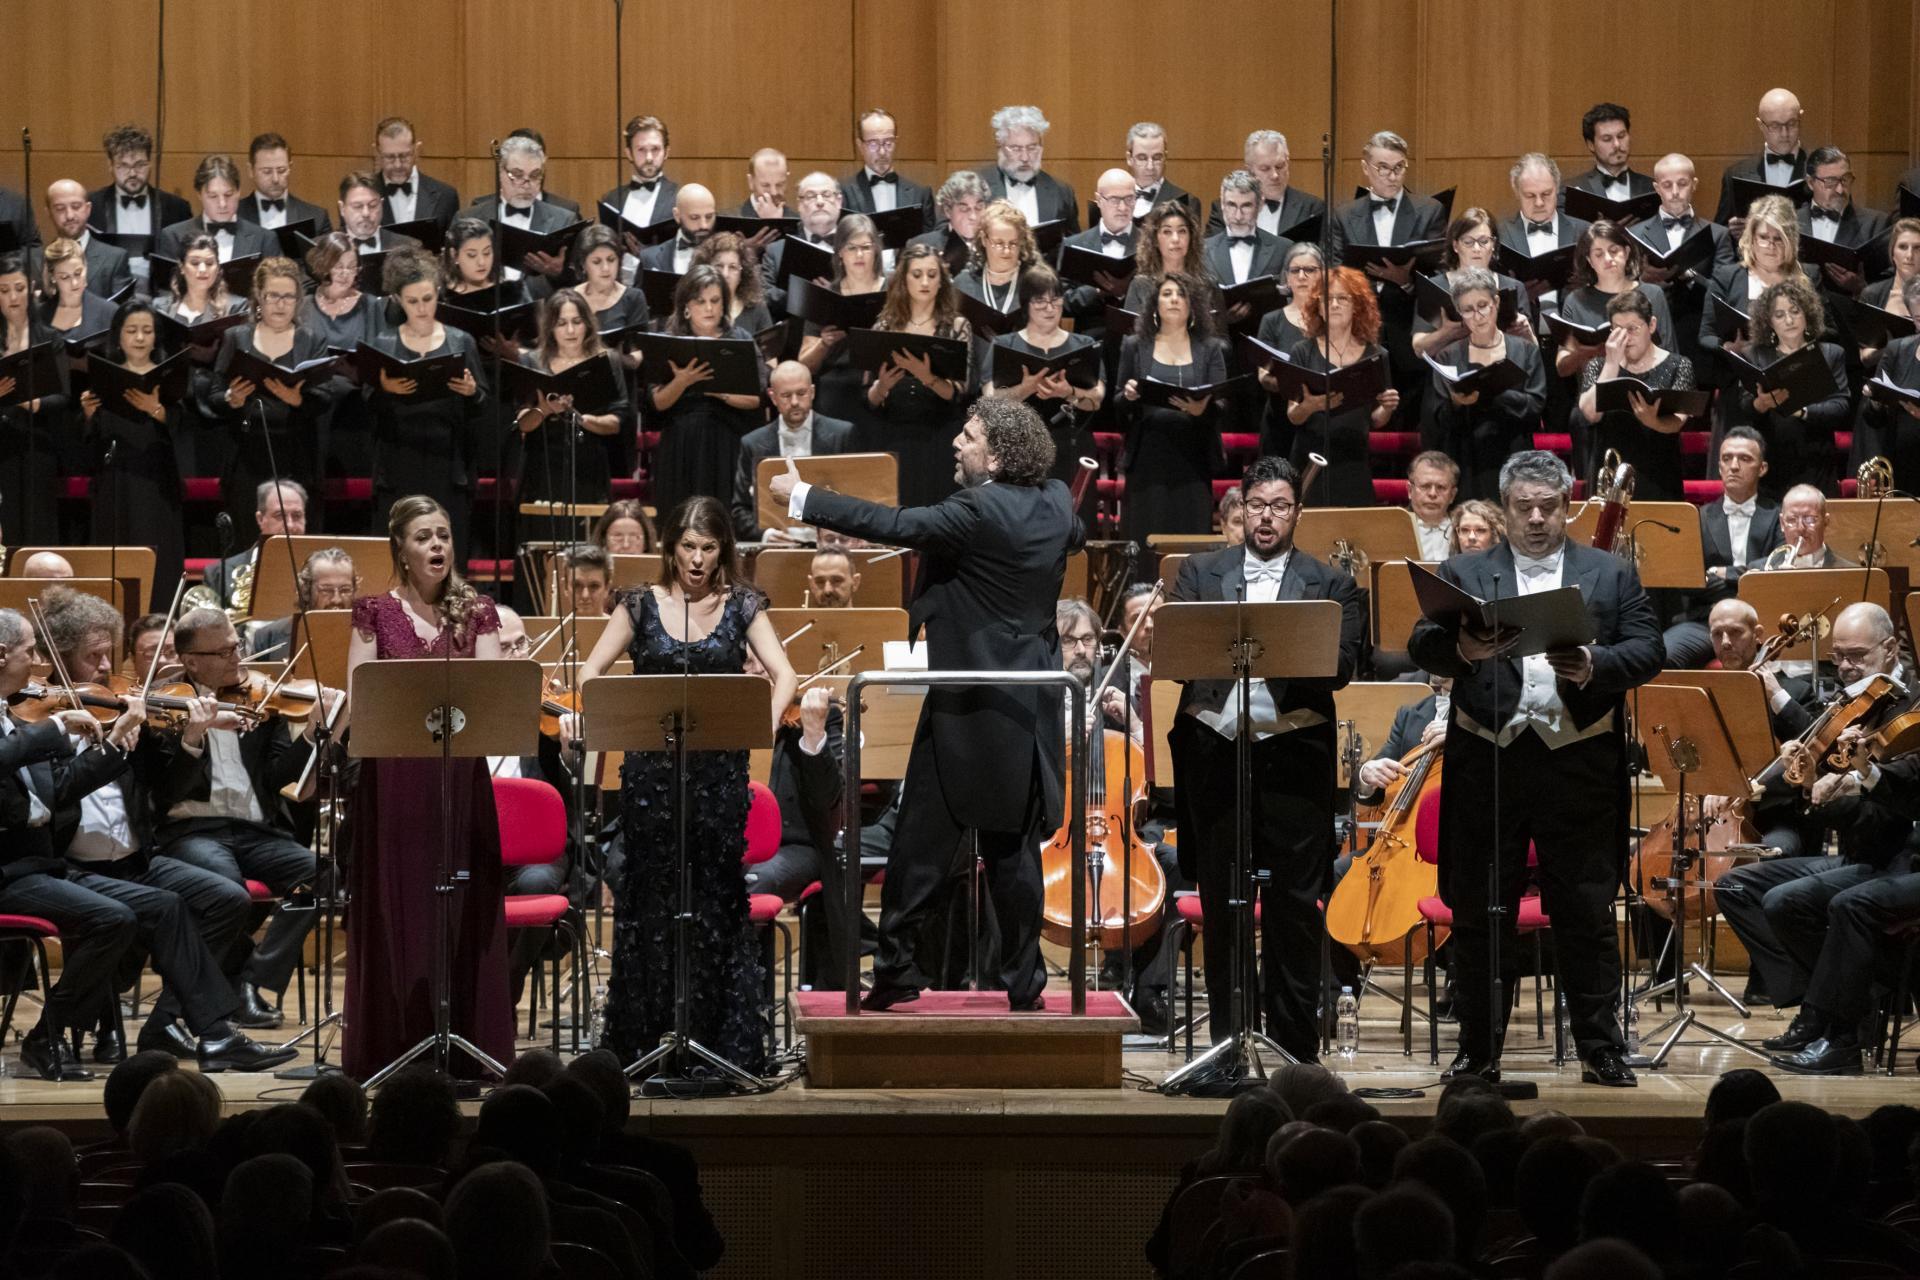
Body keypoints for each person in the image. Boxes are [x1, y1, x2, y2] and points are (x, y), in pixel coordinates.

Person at [769, 397, 1084, 1010]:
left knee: (918, 850)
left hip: (967, 703)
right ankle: (1023, 987)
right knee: (1010, 853)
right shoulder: (1053, 503)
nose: (955, 445)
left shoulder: (974, 510)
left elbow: (895, 525)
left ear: (996, 455)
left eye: (968, 437)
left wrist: (806, 497)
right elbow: (1071, 534)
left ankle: (894, 972)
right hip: (1024, 706)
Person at [1407, 450, 1661, 1087]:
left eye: (1549, 508)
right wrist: (1461, 647)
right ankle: (1478, 1050)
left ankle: (1600, 1047)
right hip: (1488, 761)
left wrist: (1599, 664)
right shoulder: (1467, 569)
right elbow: (1420, 641)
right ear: (1506, 507)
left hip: (1577, 762)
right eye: (1525, 509)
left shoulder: (1609, 572)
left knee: (1585, 910)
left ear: (1568, 506)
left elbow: (1650, 648)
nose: (1538, 520)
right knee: (1479, 911)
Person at [0, 610, 296, 1081]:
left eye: (107, 654)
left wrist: (191, 736)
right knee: (127, 916)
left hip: (127, 858)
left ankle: (208, 1033)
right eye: (91, 656)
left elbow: (166, 787)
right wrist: (94, 743)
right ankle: (54, 1033)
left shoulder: (111, 709)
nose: (104, 668)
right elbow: (56, 794)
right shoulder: (35, 724)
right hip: (47, 865)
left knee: (211, 899)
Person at [559, 496, 796, 1073]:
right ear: (670, 547)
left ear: (723, 551)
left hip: (718, 779)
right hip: (651, 781)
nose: (696, 559)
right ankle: (649, 1045)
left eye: (708, 548)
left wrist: (760, 724)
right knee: (650, 904)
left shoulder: (743, 604)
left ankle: (717, 1044)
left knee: (716, 902)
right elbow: (590, 673)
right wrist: (588, 711)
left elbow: (785, 673)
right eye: (687, 547)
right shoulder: (639, 604)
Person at [1166, 455, 1364, 1061]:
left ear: (1296, 513)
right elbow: (1180, 655)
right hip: (1215, 755)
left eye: (1280, 506)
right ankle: (1227, 1043)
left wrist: (1282, 642)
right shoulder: (1199, 572)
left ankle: (1294, 1045)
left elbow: (1344, 665)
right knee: (1225, 903)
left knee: (1294, 906)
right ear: (1239, 509)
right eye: (1257, 506)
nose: (1267, 517)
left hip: (1293, 758)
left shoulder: (1330, 582)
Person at [344, 495, 514, 1080]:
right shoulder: (371, 611)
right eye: (424, 536)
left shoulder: (479, 612)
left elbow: (492, 703)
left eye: (444, 534)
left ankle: (464, 1043)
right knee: (400, 911)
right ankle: (397, 1045)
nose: (437, 545)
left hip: (459, 779)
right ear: (401, 548)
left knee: (462, 911)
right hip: (391, 782)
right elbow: (362, 698)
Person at [1713, 603, 1918, 1061]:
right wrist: (1809, 788)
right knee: (1737, 885)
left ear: (1889, 649)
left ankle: (1832, 1013)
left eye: (1857, 656)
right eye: (1838, 656)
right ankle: (1822, 1004)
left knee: (1787, 901)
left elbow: (1885, 818)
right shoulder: (1854, 701)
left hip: (1890, 857)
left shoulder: (1908, 708)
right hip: (1856, 852)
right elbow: (1832, 785)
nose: (1845, 667)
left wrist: (1839, 789)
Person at [138, 606, 336, 1035]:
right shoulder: (165, 706)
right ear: (191, 661)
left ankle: (253, 979)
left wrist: (309, 734)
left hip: (253, 829)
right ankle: (223, 993)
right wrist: (193, 735)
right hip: (193, 830)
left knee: (323, 872)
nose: (238, 659)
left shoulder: (259, 699)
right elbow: (166, 790)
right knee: (229, 893)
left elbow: (278, 778)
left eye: (238, 646)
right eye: (225, 651)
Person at [200, 258, 338, 535]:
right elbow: (213, 394)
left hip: (296, 455)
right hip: (247, 456)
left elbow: (325, 396)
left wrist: (295, 398)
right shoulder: (236, 337)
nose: (280, 303)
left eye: (288, 296)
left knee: (295, 544)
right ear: (259, 298)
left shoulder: (311, 340)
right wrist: (232, 399)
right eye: (273, 295)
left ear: (298, 300)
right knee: (247, 538)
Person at [365, 250, 487, 556]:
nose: (422, 308)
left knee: (445, 553)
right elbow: (368, 406)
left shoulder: (460, 341)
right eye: (413, 301)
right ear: (398, 300)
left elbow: (482, 405)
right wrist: (385, 389)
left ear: (438, 294)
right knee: (398, 553)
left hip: (446, 463)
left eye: (428, 298)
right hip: (398, 462)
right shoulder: (384, 343)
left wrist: (471, 392)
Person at [1331, 130, 1449, 422]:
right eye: (1383, 168)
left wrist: (1405, 281)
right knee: (1358, 415)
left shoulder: (1429, 211)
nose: (1392, 176)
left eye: (1398, 168)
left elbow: (1440, 275)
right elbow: (1334, 272)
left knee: (1411, 418)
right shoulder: (1343, 215)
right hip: (1358, 331)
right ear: (1366, 168)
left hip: (1409, 329)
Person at [79, 299, 182, 609]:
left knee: (160, 559)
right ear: (119, 337)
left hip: (157, 483)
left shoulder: (170, 375)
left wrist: (158, 411)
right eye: (132, 330)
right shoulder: (105, 376)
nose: (139, 338)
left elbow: (185, 431)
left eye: (147, 331)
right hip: (116, 482)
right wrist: (86, 415)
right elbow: (89, 442)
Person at [859, 242, 974, 508]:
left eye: (932, 275)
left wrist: (927, 377)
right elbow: (867, 398)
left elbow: (960, 393)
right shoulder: (885, 326)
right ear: (904, 279)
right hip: (894, 435)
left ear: (941, 281)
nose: (925, 282)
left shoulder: (956, 326)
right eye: (917, 274)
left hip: (940, 436)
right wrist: (882, 386)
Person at [1116, 271, 1229, 540]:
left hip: (1193, 455)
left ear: (1193, 306)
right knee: (1146, 532)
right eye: (1167, 294)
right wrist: (1129, 396)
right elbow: (1117, 401)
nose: (1174, 300)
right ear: (1155, 304)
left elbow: (1223, 401)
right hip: (1147, 456)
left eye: (1181, 295)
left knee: (1190, 535)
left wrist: (1204, 410)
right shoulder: (1135, 345)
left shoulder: (1211, 347)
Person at [647, 264, 769, 513]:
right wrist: (682, 381)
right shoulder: (667, 340)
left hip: (727, 441)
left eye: (715, 300)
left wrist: (719, 391)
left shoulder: (741, 340)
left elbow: (756, 398)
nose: (709, 308)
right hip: (681, 444)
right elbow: (657, 402)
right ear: (686, 307)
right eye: (701, 301)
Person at [985, 265, 1105, 515]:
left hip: (1070, 445)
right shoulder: (1005, 344)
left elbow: (1097, 398)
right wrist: (1025, 388)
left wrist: (1067, 391)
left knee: (1073, 520)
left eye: (1055, 300)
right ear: (1026, 303)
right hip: (1018, 448)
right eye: (1040, 301)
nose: (1050, 308)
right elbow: (989, 397)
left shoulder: (1084, 344)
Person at [1660, 428, 1783, 668]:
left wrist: (1723, 573)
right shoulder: (1697, 517)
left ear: (1762, 468)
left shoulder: (1779, 515)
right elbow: (1690, 582)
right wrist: (1748, 576)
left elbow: (1777, 565)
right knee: (1663, 654)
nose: (1734, 466)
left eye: (1745, 458)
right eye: (1727, 458)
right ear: (1719, 467)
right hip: (1705, 621)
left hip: (1764, 620)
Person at [1283, 265, 1401, 506]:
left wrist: (1387, 408)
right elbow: (1293, 415)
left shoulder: (1376, 355)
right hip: (1310, 455)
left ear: (1357, 305)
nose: (1334, 305)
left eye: (1342, 298)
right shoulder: (1302, 351)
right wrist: (1312, 406)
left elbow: (1376, 419)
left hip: (1353, 457)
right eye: (1328, 299)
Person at [1428, 268, 1548, 501]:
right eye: (1468, 310)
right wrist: (1456, 403)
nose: (1477, 315)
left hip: (1514, 456)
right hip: (1467, 458)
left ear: (1496, 302)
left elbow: (1536, 406)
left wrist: (1492, 394)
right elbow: (1440, 418)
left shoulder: (1525, 350)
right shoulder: (1447, 356)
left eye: (1483, 305)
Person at [1699, 194, 1814, 427]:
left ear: (1791, 240)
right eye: (1763, 237)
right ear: (1751, 238)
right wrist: (1729, 348)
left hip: (1794, 389)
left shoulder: (1809, 277)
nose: (1770, 246)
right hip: (1741, 388)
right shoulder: (1727, 277)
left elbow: (1827, 332)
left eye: (1778, 239)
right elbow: (1706, 335)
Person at [1573, 287, 1698, 501]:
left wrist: (1653, 422)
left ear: (1651, 325)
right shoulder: (1599, 366)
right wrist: (1612, 363)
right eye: (1618, 330)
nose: (1626, 338)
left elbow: (1678, 420)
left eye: (1633, 329)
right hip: (1611, 473)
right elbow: (1590, 413)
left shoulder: (1679, 365)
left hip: (1659, 474)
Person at [1731, 277, 1849, 499]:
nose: (1789, 320)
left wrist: (1802, 411)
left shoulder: (1831, 353)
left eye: (1795, 311)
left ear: (1807, 314)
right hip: (1772, 458)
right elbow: (1744, 407)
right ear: (1770, 322)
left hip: (1816, 457)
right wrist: (1761, 404)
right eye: (1779, 315)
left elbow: (1841, 405)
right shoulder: (1754, 355)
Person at [511, 290, 629, 507]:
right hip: (542, 462)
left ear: (588, 324)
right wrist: (545, 410)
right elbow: (522, 424)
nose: (571, 330)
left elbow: (616, 423)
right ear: (550, 328)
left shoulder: (607, 361)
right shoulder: (532, 361)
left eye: (577, 321)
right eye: (561, 323)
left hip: (589, 461)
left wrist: (577, 416)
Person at [732, 361, 853, 542]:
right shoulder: (752, 443)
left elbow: (857, 497)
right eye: (786, 395)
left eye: (801, 393)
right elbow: (739, 510)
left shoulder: (842, 434)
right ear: (772, 397)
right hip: (777, 550)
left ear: (812, 392)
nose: (795, 402)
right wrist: (765, 534)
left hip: (831, 548)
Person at [792, 214, 886, 429]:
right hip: (837, 386)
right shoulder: (825, 297)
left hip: (880, 383)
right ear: (840, 252)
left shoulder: (892, 289)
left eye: (866, 247)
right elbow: (805, 365)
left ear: (876, 250)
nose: (859, 254)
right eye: (851, 248)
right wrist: (824, 343)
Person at [0, 252, 66, 548]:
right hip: (1, 447)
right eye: (4, 290)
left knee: (38, 527)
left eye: (19, 288)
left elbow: (64, 395)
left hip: (37, 443)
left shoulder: (49, 338)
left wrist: (33, 402)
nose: (13, 297)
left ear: (32, 289)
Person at [88, 124, 191, 286]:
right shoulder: (92, 205)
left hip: (161, 294)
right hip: (109, 295)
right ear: (110, 165)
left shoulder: (177, 208)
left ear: (150, 162)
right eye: (123, 165)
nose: (133, 173)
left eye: (140, 164)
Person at [462, 137, 572, 286]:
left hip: (542, 308)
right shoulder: (469, 218)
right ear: (501, 172)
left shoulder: (564, 221)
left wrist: (558, 273)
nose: (526, 185)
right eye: (517, 175)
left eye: (534, 176)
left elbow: (578, 281)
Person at [1798, 145, 1889, 300]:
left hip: (1851, 316)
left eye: (1845, 180)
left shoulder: (1877, 223)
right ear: (1810, 182)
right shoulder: (1789, 222)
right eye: (1830, 182)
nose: (1840, 190)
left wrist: (1860, 287)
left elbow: (1887, 285)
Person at [154, 155, 277, 268]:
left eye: (228, 195)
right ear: (199, 194)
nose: (222, 204)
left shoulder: (265, 239)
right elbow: (167, 289)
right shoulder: (174, 237)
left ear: (239, 191)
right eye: (213, 196)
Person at [202, 479, 307, 610]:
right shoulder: (219, 574)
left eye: (297, 516)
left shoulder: (324, 570)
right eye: (280, 515)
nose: (290, 525)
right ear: (260, 519)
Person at [1714, 88, 1807, 231]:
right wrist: (1732, 233)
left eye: (1791, 123)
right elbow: (1719, 235)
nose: (1785, 133)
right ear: (1760, 125)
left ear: (1801, 117)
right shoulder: (1735, 174)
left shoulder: (1821, 172)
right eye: (1775, 126)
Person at [1206, 130, 1327, 239]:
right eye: (1265, 169)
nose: (1275, 175)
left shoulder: (1312, 208)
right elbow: (1213, 255)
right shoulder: (1225, 208)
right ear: (1249, 171)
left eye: (1280, 166)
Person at [248, 546, 358, 662]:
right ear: (305, 590)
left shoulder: (370, 636)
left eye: (345, 590)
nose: (337, 600)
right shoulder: (267, 637)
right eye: (326, 590)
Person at [1861, 274, 1920, 487]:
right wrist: (1876, 401)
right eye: (1919, 318)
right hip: (1902, 461)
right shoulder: (1897, 351)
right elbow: (1873, 418)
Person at [981, 105, 1078, 233]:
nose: (1025, 157)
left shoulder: (1061, 192)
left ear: (1041, 148)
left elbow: (1072, 245)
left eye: (1032, 148)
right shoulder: (977, 188)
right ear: (1000, 148)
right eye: (1016, 148)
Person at [601, 115, 678, 276]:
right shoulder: (611, 199)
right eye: (641, 150)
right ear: (629, 153)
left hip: (659, 288)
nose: (649, 158)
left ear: (666, 152)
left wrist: (645, 254)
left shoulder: (679, 198)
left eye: (655, 149)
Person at [32, 180, 133, 301]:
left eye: (76, 207)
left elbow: (124, 314)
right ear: (48, 213)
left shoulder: (115, 258)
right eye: (60, 209)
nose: (69, 215)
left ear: (88, 209)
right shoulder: (37, 261)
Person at [1121, 202, 1219, 316]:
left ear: (1191, 237)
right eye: (1167, 232)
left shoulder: (1208, 284)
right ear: (1155, 240)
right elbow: (1129, 333)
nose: (1175, 239)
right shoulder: (1140, 285)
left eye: (1182, 231)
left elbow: (1219, 333)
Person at [1205, 170, 1292, 292]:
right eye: (1231, 205)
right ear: (1222, 205)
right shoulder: (1202, 250)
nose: (1238, 216)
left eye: (1246, 206)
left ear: (1260, 205)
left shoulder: (1283, 249)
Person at [840, 108, 934, 221]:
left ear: (896, 142)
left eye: (888, 143)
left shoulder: (920, 193)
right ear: (860, 145)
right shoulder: (842, 192)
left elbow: (929, 236)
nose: (882, 152)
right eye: (873, 144)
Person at [955, 200, 1041, 320]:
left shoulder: (1037, 283)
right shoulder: (963, 284)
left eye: (1013, 243)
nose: (1006, 251)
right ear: (984, 240)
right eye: (999, 243)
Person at [374, 117, 462, 233]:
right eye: (390, 157)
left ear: (416, 150)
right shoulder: (359, 197)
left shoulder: (446, 196)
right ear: (377, 152)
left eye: (404, 156)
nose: (397, 165)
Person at [237, 133, 331, 234]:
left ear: (290, 167)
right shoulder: (234, 215)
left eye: (281, 170)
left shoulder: (317, 218)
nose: (275, 179)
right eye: (267, 171)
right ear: (251, 170)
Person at [37, 238, 118, 351]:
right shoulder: (39, 315)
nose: (74, 283)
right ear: (53, 277)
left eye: (78, 273)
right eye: (65, 277)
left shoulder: (109, 312)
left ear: (85, 267)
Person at [906, 171, 989, 277]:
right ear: (947, 211)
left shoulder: (995, 244)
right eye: (964, 209)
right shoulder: (919, 245)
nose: (973, 216)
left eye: (979, 207)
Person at [1754, 484, 1852, 570]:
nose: (1800, 528)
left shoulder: (1851, 574)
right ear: (1782, 524)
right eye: (1792, 520)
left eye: (1810, 519)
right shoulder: (1757, 571)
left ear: (1825, 522)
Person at [691, 230, 773, 334]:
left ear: (742, 274)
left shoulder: (757, 308)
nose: (725, 274)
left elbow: (768, 348)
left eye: (733, 267)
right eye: (719, 266)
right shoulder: (692, 306)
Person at [1565, 104, 1652, 201]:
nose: (1617, 144)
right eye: (1607, 139)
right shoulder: (1571, 190)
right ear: (1591, 145)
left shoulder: (1653, 188)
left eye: (1621, 136)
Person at [639, 183, 719, 279]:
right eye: (694, 217)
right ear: (677, 215)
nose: (703, 225)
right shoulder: (648, 258)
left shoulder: (727, 257)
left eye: (709, 217)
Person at [1121, 121, 1196, 222]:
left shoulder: (1186, 202)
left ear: (1165, 157)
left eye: (1157, 158)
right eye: (1142, 158)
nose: (1150, 166)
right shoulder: (1110, 200)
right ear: (1129, 158)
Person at [1405, 452, 1459, 561]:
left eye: (1441, 487)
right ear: (1410, 491)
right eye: (1425, 486)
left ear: (1452, 495)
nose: (1433, 494)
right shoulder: (1391, 529)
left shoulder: (1465, 529)